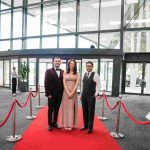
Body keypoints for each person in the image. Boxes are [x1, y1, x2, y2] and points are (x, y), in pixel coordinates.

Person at [44, 57, 64, 131]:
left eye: (59, 61)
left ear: (60, 62)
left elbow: (63, 84)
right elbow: (46, 83)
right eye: (56, 61)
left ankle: (55, 122)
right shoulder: (48, 71)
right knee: (50, 110)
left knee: (57, 109)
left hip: (59, 95)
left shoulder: (63, 71)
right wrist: (48, 93)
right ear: (53, 62)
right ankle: (50, 124)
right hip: (51, 94)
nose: (57, 62)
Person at [80, 61, 100, 134]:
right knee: (84, 110)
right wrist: (81, 94)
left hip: (91, 96)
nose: (88, 67)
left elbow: (98, 85)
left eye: (90, 66)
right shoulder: (84, 74)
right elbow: (82, 85)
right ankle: (85, 125)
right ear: (86, 66)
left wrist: (96, 94)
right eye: (87, 66)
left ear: (92, 67)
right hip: (84, 96)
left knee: (90, 112)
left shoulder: (96, 75)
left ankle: (90, 127)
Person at [60, 59, 80, 130]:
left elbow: (77, 84)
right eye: (71, 64)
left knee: (72, 108)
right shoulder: (65, 72)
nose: (72, 65)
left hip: (73, 93)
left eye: (73, 64)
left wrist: (72, 92)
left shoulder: (77, 73)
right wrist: (68, 92)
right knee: (66, 108)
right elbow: (64, 82)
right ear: (68, 65)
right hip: (65, 93)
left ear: (75, 65)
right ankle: (65, 124)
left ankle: (71, 124)